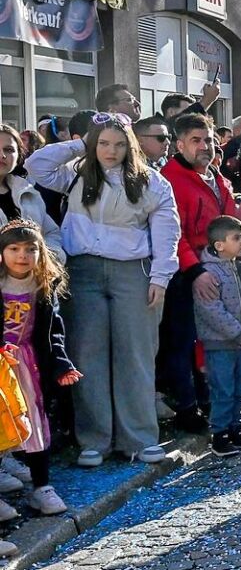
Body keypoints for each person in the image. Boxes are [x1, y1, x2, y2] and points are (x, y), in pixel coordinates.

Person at [25, 112, 181, 468]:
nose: (111, 151)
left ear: (131, 146)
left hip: (133, 271)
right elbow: (36, 164)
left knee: (136, 354)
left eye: (119, 143)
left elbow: (166, 232)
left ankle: (140, 438)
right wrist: (84, 142)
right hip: (83, 271)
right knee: (87, 354)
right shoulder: (78, 173)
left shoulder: (151, 182)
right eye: (105, 143)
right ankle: (94, 439)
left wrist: (160, 277)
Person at [160, 113, 241, 434]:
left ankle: (212, 405)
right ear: (179, 144)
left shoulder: (215, 177)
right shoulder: (171, 178)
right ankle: (188, 408)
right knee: (183, 342)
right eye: (196, 140)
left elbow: (233, 223)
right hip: (186, 271)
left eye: (208, 140)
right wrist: (194, 271)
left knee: (214, 341)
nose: (205, 146)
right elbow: (172, 233)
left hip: (218, 267)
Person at [0, 220, 80, 517]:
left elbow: (52, 331)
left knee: (34, 422)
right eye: (14, 248)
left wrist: (60, 362)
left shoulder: (43, 286)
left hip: (27, 365)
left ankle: (42, 486)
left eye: (30, 249)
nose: (22, 255)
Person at [193, 216, 241, 457]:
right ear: (219, 245)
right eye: (237, 238)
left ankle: (237, 428)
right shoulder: (207, 274)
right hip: (221, 344)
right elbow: (211, 310)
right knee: (223, 389)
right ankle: (220, 434)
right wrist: (238, 334)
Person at [0, 124, 64, 261]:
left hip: (31, 280)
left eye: (9, 149)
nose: (2, 155)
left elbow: (51, 233)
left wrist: (47, 261)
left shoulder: (27, 192)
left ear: (18, 155)